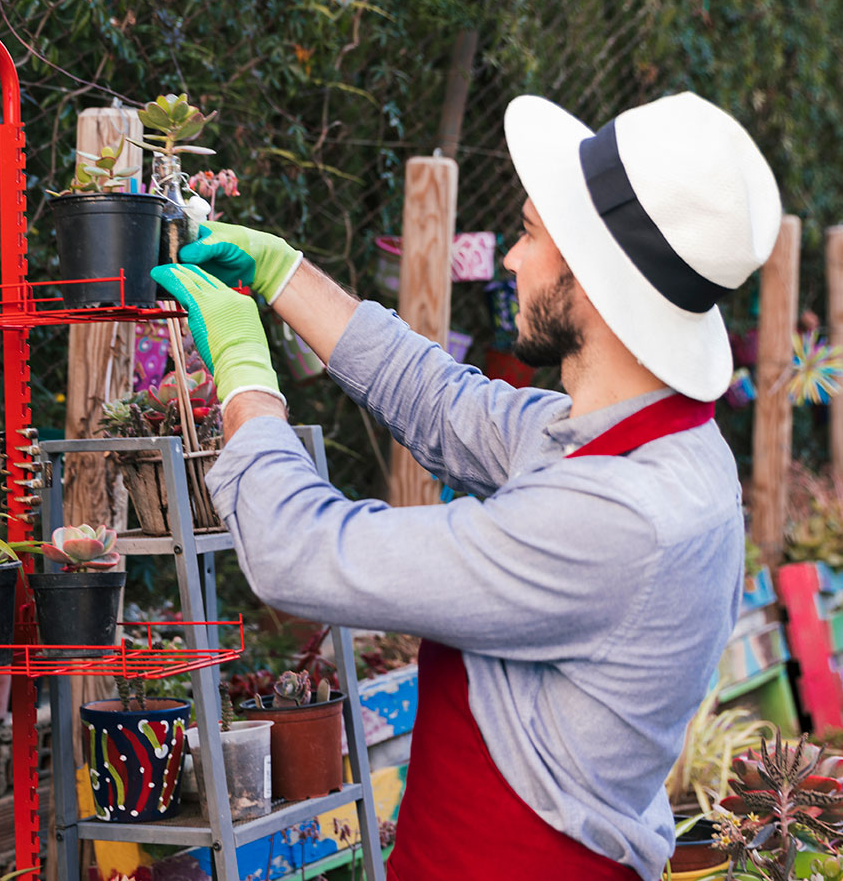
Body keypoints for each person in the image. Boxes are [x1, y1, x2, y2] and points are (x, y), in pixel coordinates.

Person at [151, 91, 781, 881]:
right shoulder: (657, 449)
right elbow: (448, 406)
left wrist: (246, 375)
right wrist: (284, 275)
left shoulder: (617, 519)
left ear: (590, 279)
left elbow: (301, 553)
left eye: (528, 234)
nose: (512, 260)